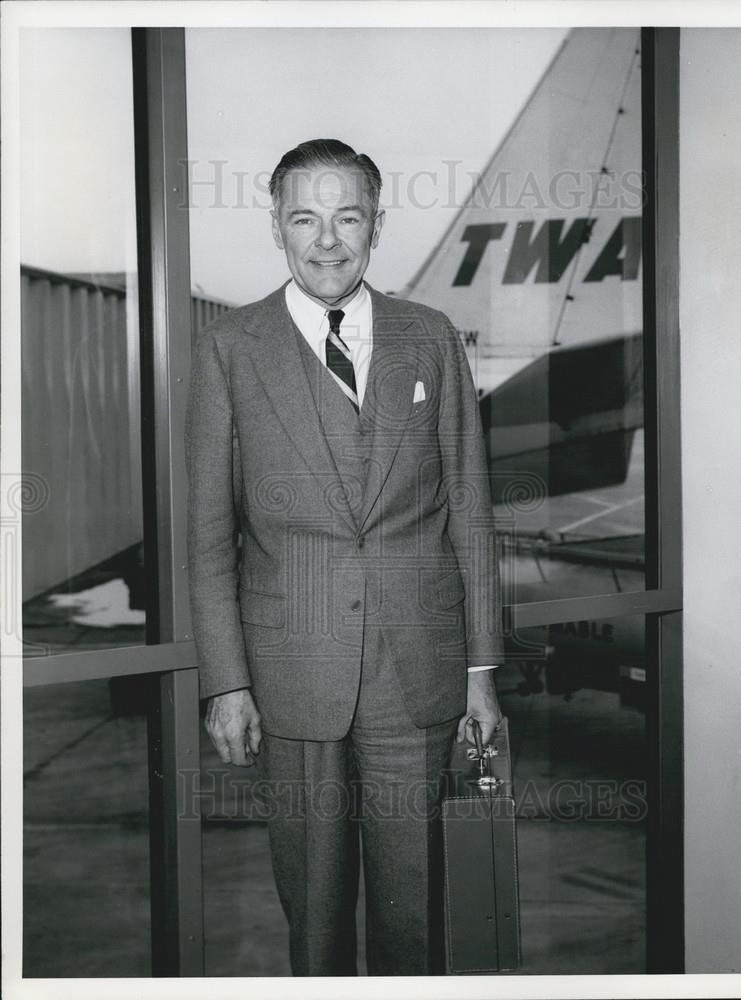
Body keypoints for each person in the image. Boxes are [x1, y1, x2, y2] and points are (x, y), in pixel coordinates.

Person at [185, 138, 504, 976]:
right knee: (314, 916)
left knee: (415, 905)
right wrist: (225, 681)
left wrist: (480, 670)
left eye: (347, 216)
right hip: (292, 676)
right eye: (304, 218)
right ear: (277, 229)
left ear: (375, 225)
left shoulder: (429, 337)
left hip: (419, 675)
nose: (326, 240)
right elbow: (210, 536)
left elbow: (468, 512)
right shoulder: (230, 348)